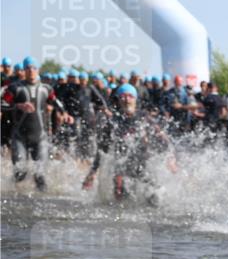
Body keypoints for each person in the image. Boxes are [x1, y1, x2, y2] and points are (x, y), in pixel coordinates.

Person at [83, 84, 174, 206]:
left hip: (142, 162)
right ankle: (119, 219)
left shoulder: (144, 118)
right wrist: (92, 173)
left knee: (153, 196)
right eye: (123, 96)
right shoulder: (112, 121)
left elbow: (163, 138)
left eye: (130, 96)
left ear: (135, 99)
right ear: (118, 100)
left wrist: (171, 158)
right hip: (121, 162)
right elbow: (102, 149)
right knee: (119, 189)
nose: (126, 99)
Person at [8, 56, 72, 192]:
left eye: (34, 68)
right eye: (28, 68)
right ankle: (8, 194)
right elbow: (3, 104)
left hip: (40, 137)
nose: (31, 71)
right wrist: (19, 105)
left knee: (40, 175)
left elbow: (55, 101)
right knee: (20, 173)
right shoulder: (15, 88)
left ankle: (43, 203)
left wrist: (65, 113)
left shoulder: (46, 88)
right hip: (20, 137)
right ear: (23, 70)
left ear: (38, 70)